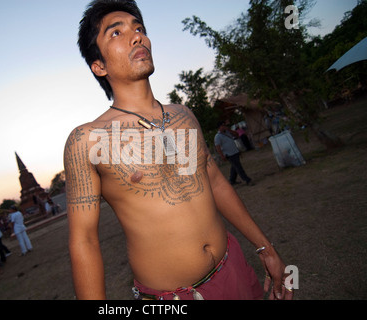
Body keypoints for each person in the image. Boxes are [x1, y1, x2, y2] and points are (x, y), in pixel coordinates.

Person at [65, 0, 292, 300]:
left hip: (232, 267)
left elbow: (214, 181)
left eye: (139, 28)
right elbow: (85, 241)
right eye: (116, 33)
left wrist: (265, 247)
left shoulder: (183, 115)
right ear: (99, 66)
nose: (137, 36)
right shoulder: (87, 140)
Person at [215, 121, 254, 186]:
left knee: (234, 167)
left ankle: (232, 180)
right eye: (223, 126)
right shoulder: (218, 136)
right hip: (229, 154)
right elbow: (218, 147)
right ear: (219, 127)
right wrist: (222, 155)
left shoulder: (228, 132)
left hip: (235, 151)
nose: (224, 127)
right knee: (238, 167)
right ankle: (247, 180)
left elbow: (236, 135)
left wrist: (229, 130)